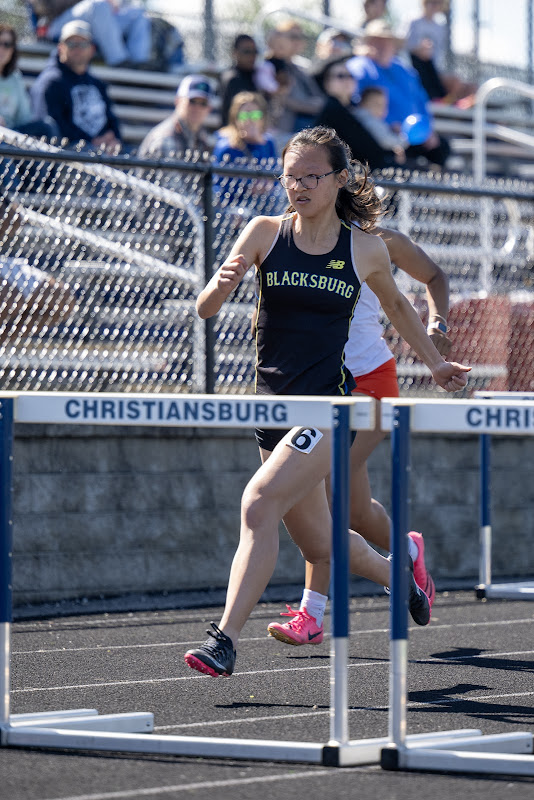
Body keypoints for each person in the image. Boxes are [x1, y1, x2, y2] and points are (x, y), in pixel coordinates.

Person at [184, 125, 470, 678]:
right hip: (272, 411)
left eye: (312, 176)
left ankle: (224, 639)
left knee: (258, 503)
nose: (299, 186)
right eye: (291, 176)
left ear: (339, 180)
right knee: (324, 544)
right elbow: (205, 309)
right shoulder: (264, 232)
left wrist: (434, 363)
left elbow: (399, 308)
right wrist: (219, 285)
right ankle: (398, 574)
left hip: (330, 409)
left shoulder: (364, 248)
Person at [267, 227, 451, 645]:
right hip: (318, 383)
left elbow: (435, 276)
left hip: (369, 382)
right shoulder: (293, 237)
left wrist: (438, 320)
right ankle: (407, 550)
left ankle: (311, 615)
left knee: (325, 499)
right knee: (352, 511)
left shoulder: (379, 241)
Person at [347, 19, 450, 168]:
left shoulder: (404, 70)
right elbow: (357, 106)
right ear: (367, 44)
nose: (382, 46)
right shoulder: (358, 67)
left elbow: (422, 102)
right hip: (381, 135)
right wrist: (387, 125)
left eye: (386, 42)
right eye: (377, 41)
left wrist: (427, 131)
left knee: (441, 149)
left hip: (413, 136)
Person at [30, 20, 122, 152]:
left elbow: (111, 119)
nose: (77, 49)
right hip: (69, 155)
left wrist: (114, 138)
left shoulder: (97, 84)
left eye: (83, 44)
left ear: (92, 49)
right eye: (71, 44)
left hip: (103, 151)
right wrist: (92, 142)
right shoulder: (50, 83)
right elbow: (52, 129)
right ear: (61, 48)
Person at [313, 57, 402, 170]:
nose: (348, 80)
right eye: (341, 76)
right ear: (327, 83)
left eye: (351, 76)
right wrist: (390, 155)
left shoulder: (350, 109)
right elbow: (361, 146)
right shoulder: (332, 109)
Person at [29, 0, 152, 68]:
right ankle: (120, 62)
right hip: (55, 25)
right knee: (98, 5)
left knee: (138, 14)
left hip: (94, 21)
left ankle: (139, 63)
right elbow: (41, 7)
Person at [213, 91, 279, 210]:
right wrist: (250, 187)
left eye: (255, 115)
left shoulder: (268, 143)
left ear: (262, 118)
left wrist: (259, 144)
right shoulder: (227, 147)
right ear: (235, 119)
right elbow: (219, 187)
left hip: (265, 202)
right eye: (243, 116)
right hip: (235, 207)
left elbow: (275, 177)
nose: (249, 121)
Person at [405, 0, 476, 108]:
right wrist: (420, 49)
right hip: (414, 67)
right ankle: (439, 104)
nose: (434, 5)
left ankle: (449, 107)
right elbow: (403, 46)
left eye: (437, 2)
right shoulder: (413, 21)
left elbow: (438, 57)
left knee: (463, 85)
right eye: (431, 2)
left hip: (434, 70)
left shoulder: (441, 28)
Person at [265, 21, 325, 143]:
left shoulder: (300, 68)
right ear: (278, 39)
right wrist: (296, 103)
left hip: (304, 129)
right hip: (280, 130)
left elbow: (320, 103)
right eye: (293, 37)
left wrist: (294, 102)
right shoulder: (270, 67)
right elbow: (283, 99)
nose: (298, 41)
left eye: (301, 37)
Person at [137, 74, 214, 159]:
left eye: (203, 103)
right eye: (192, 101)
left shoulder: (201, 136)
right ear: (178, 101)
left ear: (209, 108)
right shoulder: (166, 138)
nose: (197, 108)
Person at [0, 24, 56, 139]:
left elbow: (24, 118)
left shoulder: (15, 78)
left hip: (11, 135)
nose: (1, 49)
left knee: (48, 126)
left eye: (7, 44)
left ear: (13, 50)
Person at [219, 34, 278, 128]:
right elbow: (236, 114)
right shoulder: (232, 78)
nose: (252, 55)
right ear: (235, 53)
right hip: (238, 131)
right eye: (247, 51)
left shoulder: (256, 74)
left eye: (255, 52)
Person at [352, 86, 407, 165]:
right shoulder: (366, 118)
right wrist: (403, 137)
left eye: (384, 105)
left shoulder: (374, 120)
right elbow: (386, 141)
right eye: (377, 104)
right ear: (363, 103)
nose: (382, 108)